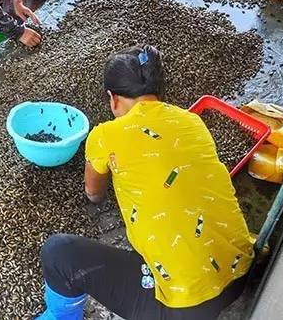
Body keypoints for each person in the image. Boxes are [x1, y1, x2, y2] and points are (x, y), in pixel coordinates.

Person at [37, 46, 254, 320]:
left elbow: (93, 193)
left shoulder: (104, 136)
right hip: (241, 271)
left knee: (59, 253)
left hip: (182, 307)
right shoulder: (192, 122)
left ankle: (60, 317)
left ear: (112, 99)